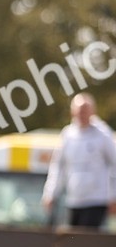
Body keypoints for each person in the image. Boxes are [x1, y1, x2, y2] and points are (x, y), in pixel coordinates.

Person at [42, 93, 116, 229]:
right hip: (73, 199)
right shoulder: (67, 135)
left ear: (92, 112)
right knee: (73, 241)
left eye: (85, 111)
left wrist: (113, 196)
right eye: (79, 111)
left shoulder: (103, 134)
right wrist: (50, 193)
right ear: (73, 112)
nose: (82, 115)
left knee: (88, 242)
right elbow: (58, 167)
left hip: (96, 200)